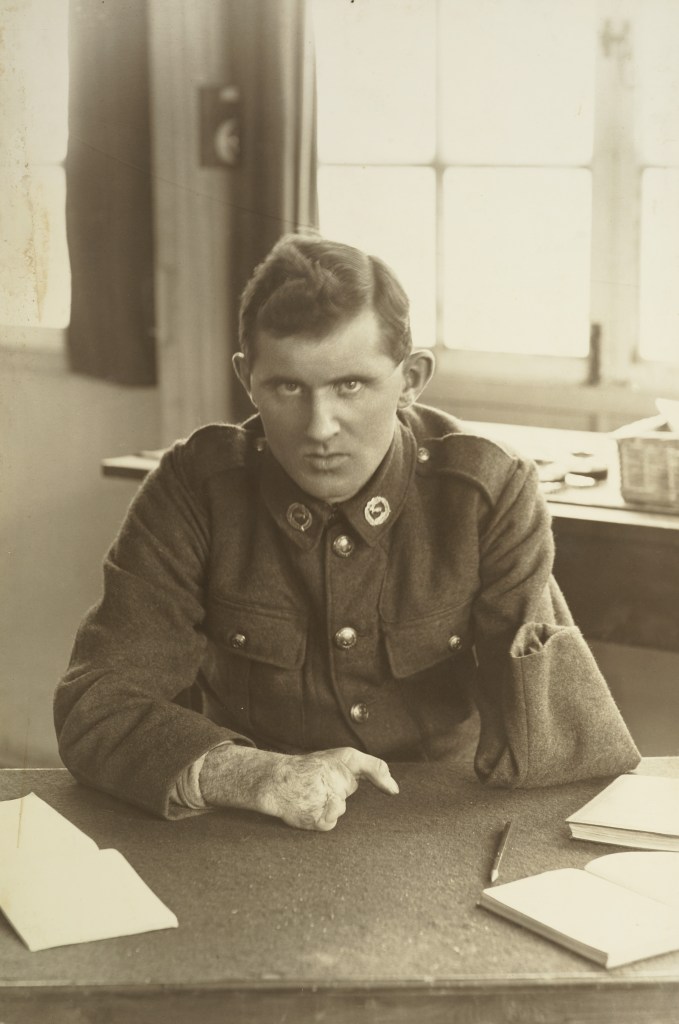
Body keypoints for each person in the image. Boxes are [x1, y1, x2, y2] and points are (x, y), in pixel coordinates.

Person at [54, 233, 640, 831]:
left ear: (411, 378)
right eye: (288, 387)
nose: (319, 427)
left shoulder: (485, 493)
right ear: (246, 378)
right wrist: (256, 775)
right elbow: (96, 707)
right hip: (255, 819)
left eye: (350, 385)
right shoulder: (193, 489)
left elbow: (558, 747)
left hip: (438, 820)